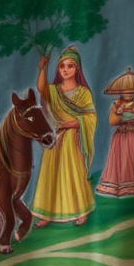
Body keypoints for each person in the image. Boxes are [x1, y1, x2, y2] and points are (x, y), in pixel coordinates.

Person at [33, 46, 97, 227]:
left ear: (77, 69)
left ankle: (81, 211)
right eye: (62, 66)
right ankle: (47, 214)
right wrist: (42, 68)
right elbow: (41, 88)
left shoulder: (83, 92)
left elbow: (89, 117)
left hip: (73, 139)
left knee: (74, 174)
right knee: (50, 174)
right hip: (57, 139)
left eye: (70, 66)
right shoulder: (54, 90)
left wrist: (69, 124)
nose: (66, 70)